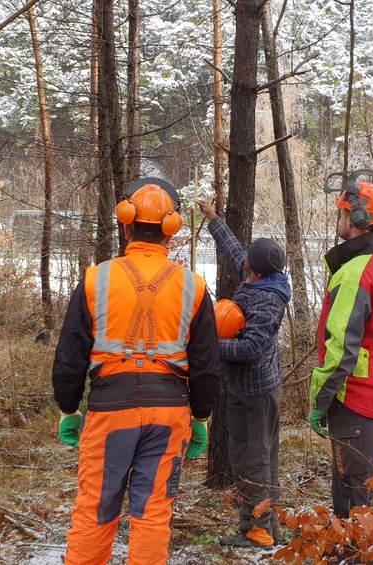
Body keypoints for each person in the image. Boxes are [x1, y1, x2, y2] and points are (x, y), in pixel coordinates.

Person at [53, 178, 221, 565]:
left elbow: (70, 355)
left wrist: (68, 408)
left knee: (97, 508)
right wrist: (200, 415)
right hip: (169, 412)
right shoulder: (192, 287)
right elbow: (208, 366)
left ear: (126, 225)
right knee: (152, 513)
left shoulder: (97, 278)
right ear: (172, 231)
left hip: (110, 411)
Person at [308, 176, 373, 524]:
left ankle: (364, 553)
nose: (338, 220)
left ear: (355, 220)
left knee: (357, 485)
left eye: (341, 213)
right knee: (349, 477)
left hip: (352, 393)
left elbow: (340, 348)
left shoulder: (355, 273)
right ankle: (345, 548)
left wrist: (321, 399)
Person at [196, 200, 292, 548]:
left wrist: (209, 347)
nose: (243, 262)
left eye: (249, 260)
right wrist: (214, 220)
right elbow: (237, 252)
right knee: (261, 457)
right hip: (250, 391)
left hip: (255, 394)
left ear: (257, 270)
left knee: (251, 461)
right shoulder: (259, 277)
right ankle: (269, 526)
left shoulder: (268, 300)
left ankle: (257, 531)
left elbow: (251, 350)